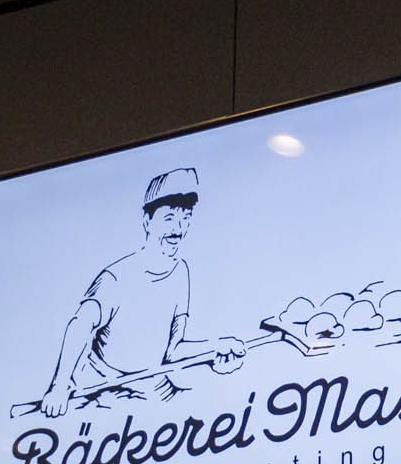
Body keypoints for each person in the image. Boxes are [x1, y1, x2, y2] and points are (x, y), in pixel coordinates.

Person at [38, 168, 247, 416]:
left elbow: (172, 351)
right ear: (148, 221)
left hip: (153, 387)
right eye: (169, 218)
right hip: (107, 393)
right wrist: (59, 386)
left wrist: (215, 350)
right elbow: (80, 325)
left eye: (186, 217)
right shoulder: (115, 278)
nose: (178, 228)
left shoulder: (180, 272)